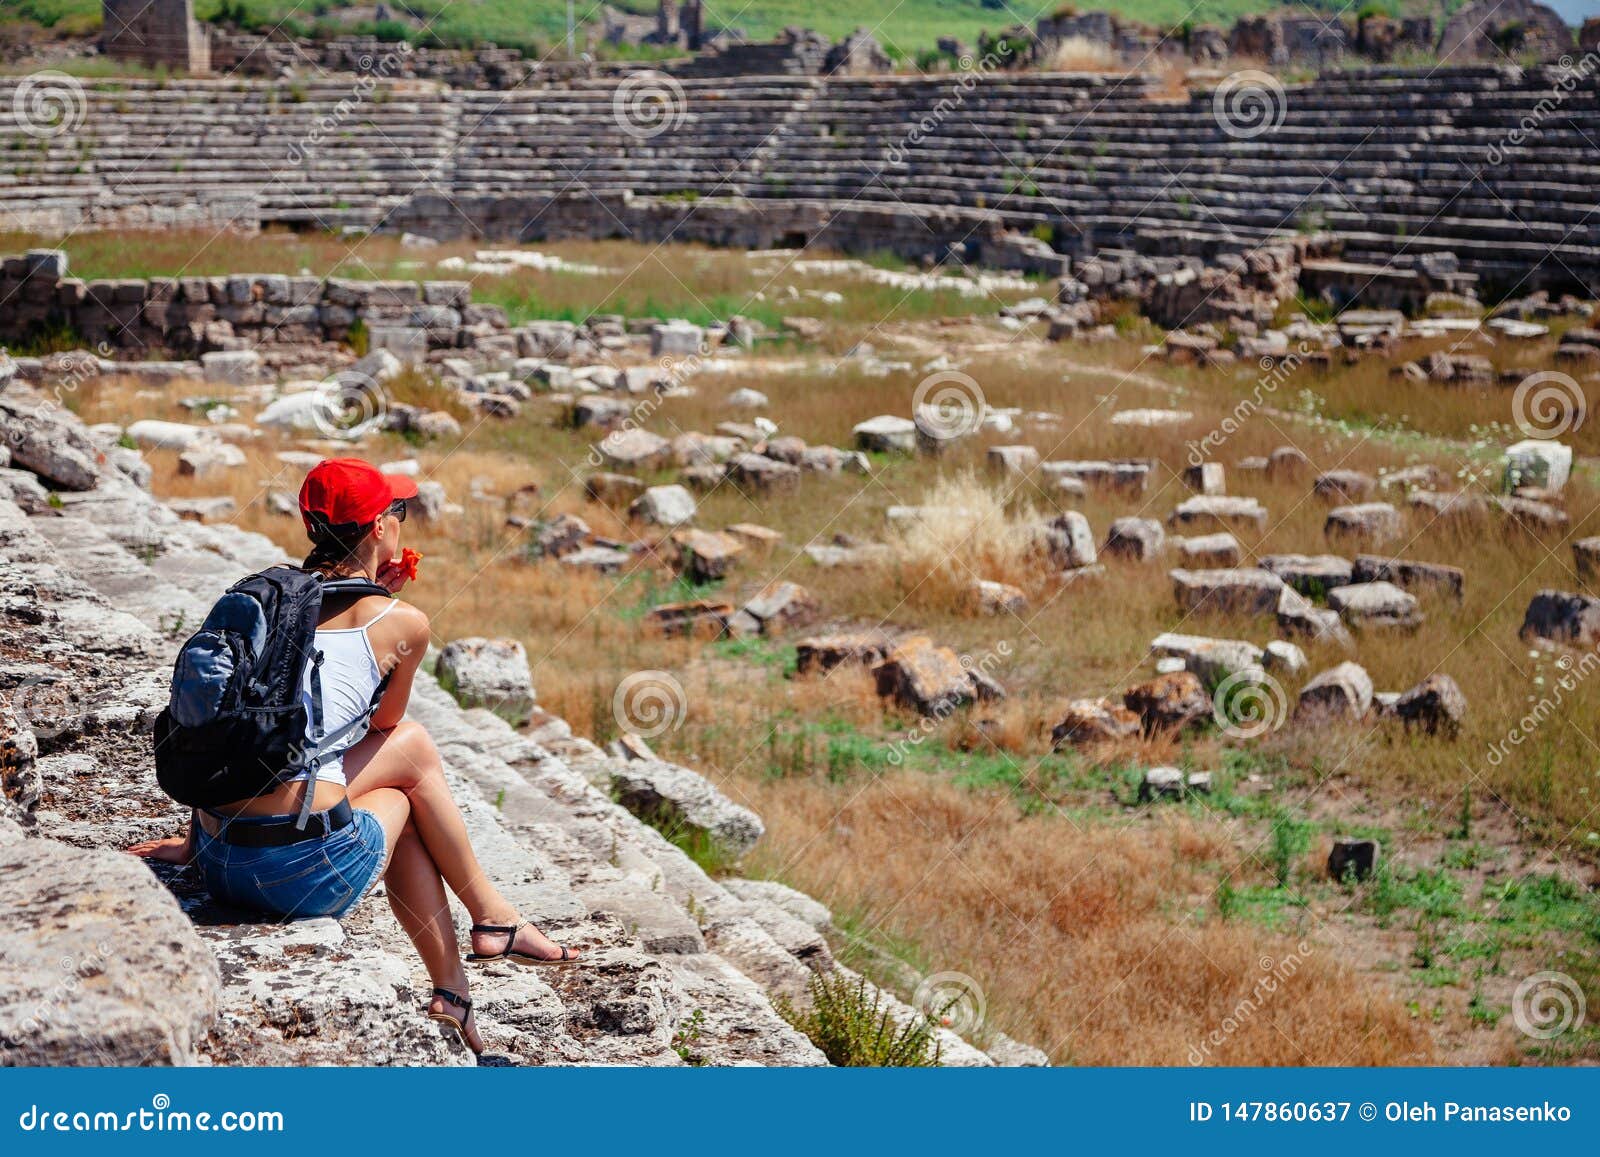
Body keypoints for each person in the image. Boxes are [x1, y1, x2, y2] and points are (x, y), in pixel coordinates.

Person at [131, 458, 577, 1054]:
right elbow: (386, 725)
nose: (401, 519)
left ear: (310, 525)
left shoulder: (262, 600)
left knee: (377, 770)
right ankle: (470, 962)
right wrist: (384, 615)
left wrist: (191, 847)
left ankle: (486, 936)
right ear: (381, 531)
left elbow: (226, 721)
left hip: (218, 859)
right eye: (397, 511)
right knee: (408, 778)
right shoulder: (404, 623)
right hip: (300, 881)